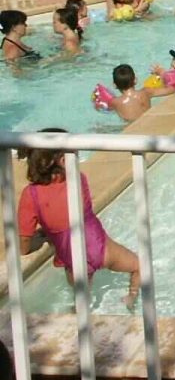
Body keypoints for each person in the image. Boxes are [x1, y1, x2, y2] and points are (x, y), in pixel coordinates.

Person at [17, 130, 141, 308]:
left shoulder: (31, 194)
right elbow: (76, 214)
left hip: (73, 259)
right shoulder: (79, 180)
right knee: (139, 266)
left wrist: (27, 247)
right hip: (101, 249)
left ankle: (76, 312)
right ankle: (131, 296)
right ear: (63, 160)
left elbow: (25, 238)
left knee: (81, 297)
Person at [104, 64, 175, 123]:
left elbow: (102, 108)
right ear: (135, 80)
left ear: (114, 85)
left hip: (130, 129)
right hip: (149, 123)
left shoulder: (114, 102)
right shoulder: (146, 92)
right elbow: (171, 90)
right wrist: (162, 74)